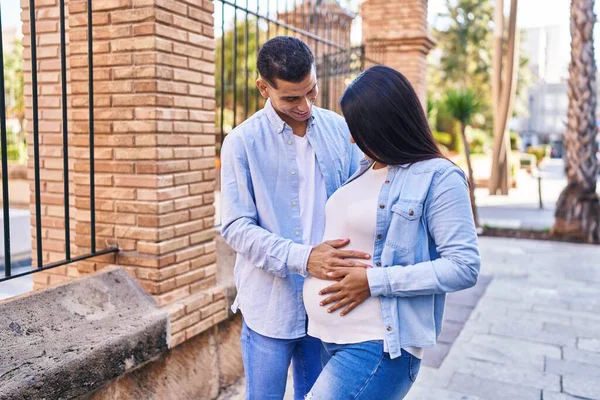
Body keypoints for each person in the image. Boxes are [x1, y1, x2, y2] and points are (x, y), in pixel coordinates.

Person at [303, 65, 481, 399]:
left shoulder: (438, 177)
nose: (353, 139)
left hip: (379, 345)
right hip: (332, 338)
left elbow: (464, 266)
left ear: (386, 125)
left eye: (359, 128)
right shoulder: (364, 168)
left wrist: (374, 281)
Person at [220, 36, 368, 400]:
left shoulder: (339, 129)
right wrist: (303, 258)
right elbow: (236, 227)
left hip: (328, 302)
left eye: (311, 92)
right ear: (263, 88)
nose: (304, 106)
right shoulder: (242, 143)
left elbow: (359, 199)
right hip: (270, 304)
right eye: (290, 98)